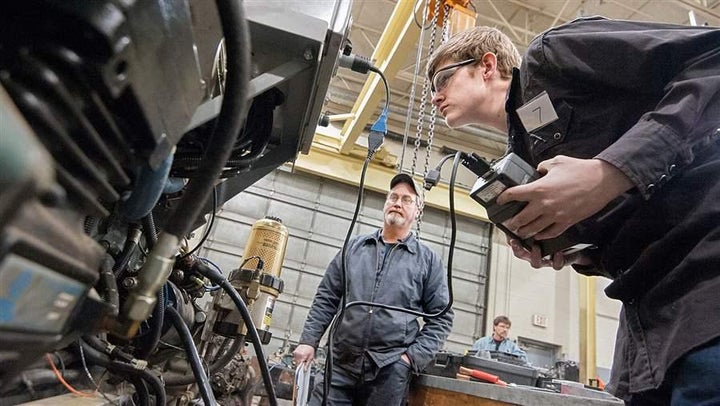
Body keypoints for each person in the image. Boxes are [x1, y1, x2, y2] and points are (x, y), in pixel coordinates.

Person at [427, 18, 720, 404]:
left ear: (486, 66)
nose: (433, 97)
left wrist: (612, 171)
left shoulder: (551, 56)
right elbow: (623, 225)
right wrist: (566, 249)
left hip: (704, 273)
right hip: (644, 308)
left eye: (441, 81)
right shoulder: (524, 158)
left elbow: (711, 57)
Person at [293, 173, 454, 406]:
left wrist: (410, 359)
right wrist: (309, 340)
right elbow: (326, 298)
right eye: (393, 197)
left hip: (388, 371)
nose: (398, 203)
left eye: (407, 200)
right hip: (339, 364)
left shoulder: (427, 261)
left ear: (418, 211)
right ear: (385, 203)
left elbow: (441, 318)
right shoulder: (354, 248)